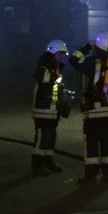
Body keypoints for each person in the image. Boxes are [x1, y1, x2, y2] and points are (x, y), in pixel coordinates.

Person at [69, 31, 108, 186]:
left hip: (94, 111)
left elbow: (73, 60)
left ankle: (91, 176)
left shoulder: (92, 62)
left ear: (97, 47)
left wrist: (86, 47)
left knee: (92, 143)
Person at [31, 39, 69, 177]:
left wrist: (62, 91)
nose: (62, 56)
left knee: (51, 136)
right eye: (60, 53)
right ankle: (37, 166)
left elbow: (54, 84)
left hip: (52, 109)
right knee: (43, 136)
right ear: (53, 51)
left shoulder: (55, 65)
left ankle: (48, 162)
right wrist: (55, 77)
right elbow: (43, 79)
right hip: (43, 109)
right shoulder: (45, 65)